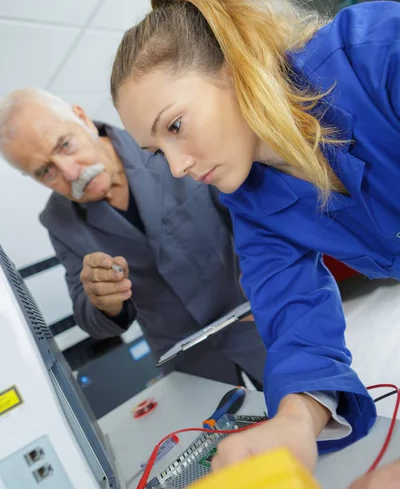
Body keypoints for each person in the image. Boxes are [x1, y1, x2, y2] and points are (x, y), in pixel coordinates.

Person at [110, 0, 400, 489]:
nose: (177, 166)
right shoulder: (251, 200)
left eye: (174, 126)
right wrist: (295, 421)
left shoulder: (379, 55)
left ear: (233, 63)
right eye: (156, 152)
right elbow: (294, 315)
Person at [0, 88, 268, 388]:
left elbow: (251, 213)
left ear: (82, 118)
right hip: (186, 358)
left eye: (65, 145)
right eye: (45, 171)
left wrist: (264, 276)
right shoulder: (59, 221)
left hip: (255, 318)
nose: (70, 172)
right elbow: (90, 318)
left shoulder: (161, 141)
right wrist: (103, 301)